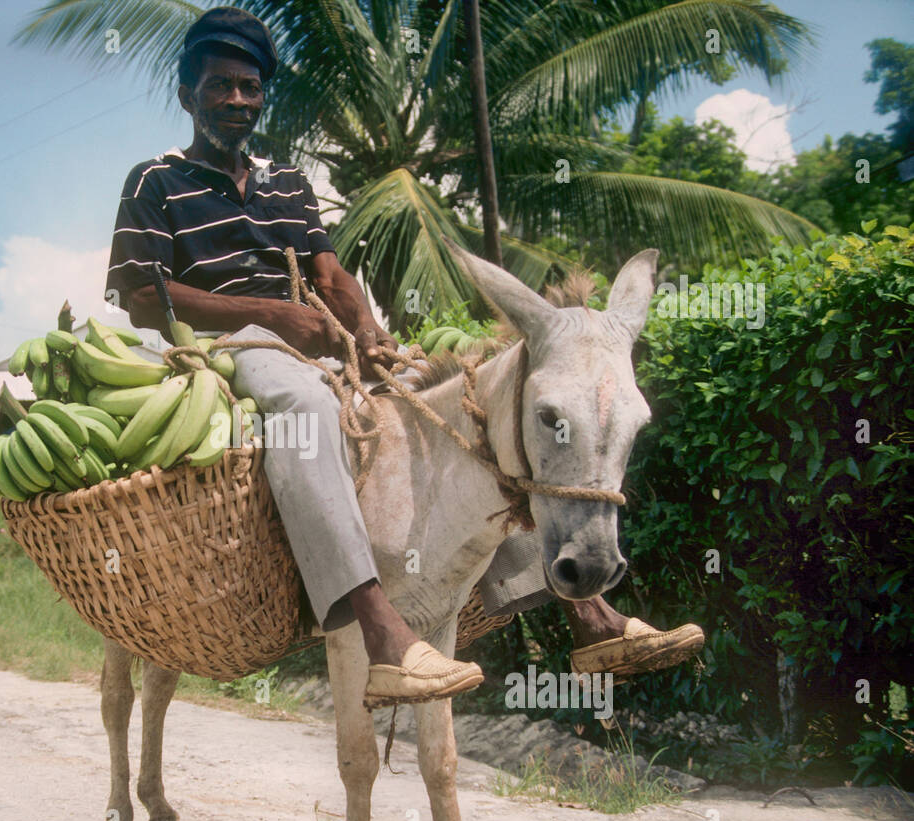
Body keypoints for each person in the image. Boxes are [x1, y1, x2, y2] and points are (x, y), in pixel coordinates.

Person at [106, 7, 703, 706]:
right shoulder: (155, 181)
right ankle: (380, 627)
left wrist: (367, 329)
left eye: (248, 87)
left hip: (309, 339)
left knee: (456, 402)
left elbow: (331, 277)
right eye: (219, 86)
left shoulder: (285, 183)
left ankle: (584, 610)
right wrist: (272, 315)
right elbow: (142, 296)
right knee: (304, 408)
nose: (237, 100)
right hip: (221, 350)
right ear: (188, 95)